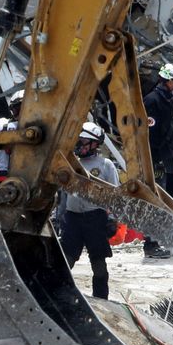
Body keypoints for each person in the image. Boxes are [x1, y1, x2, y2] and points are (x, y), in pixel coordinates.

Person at [60, 122, 119, 299]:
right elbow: (63, 192)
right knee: (66, 260)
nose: (79, 145)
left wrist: (113, 219)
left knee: (98, 262)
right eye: (78, 141)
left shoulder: (105, 165)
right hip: (73, 219)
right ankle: (61, 295)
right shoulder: (71, 164)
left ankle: (101, 299)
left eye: (83, 141)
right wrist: (60, 215)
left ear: (94, 144)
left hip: (95, 218)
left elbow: (115, 193)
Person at [142, 63, 173, 259]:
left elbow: (170, 130)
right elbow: (150, 134)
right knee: (157, 203)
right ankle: (151, 245)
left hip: (172, 160)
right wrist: (155, 161)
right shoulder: (152, 100)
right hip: (159, 160)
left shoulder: (168, 101)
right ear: (168, 81)